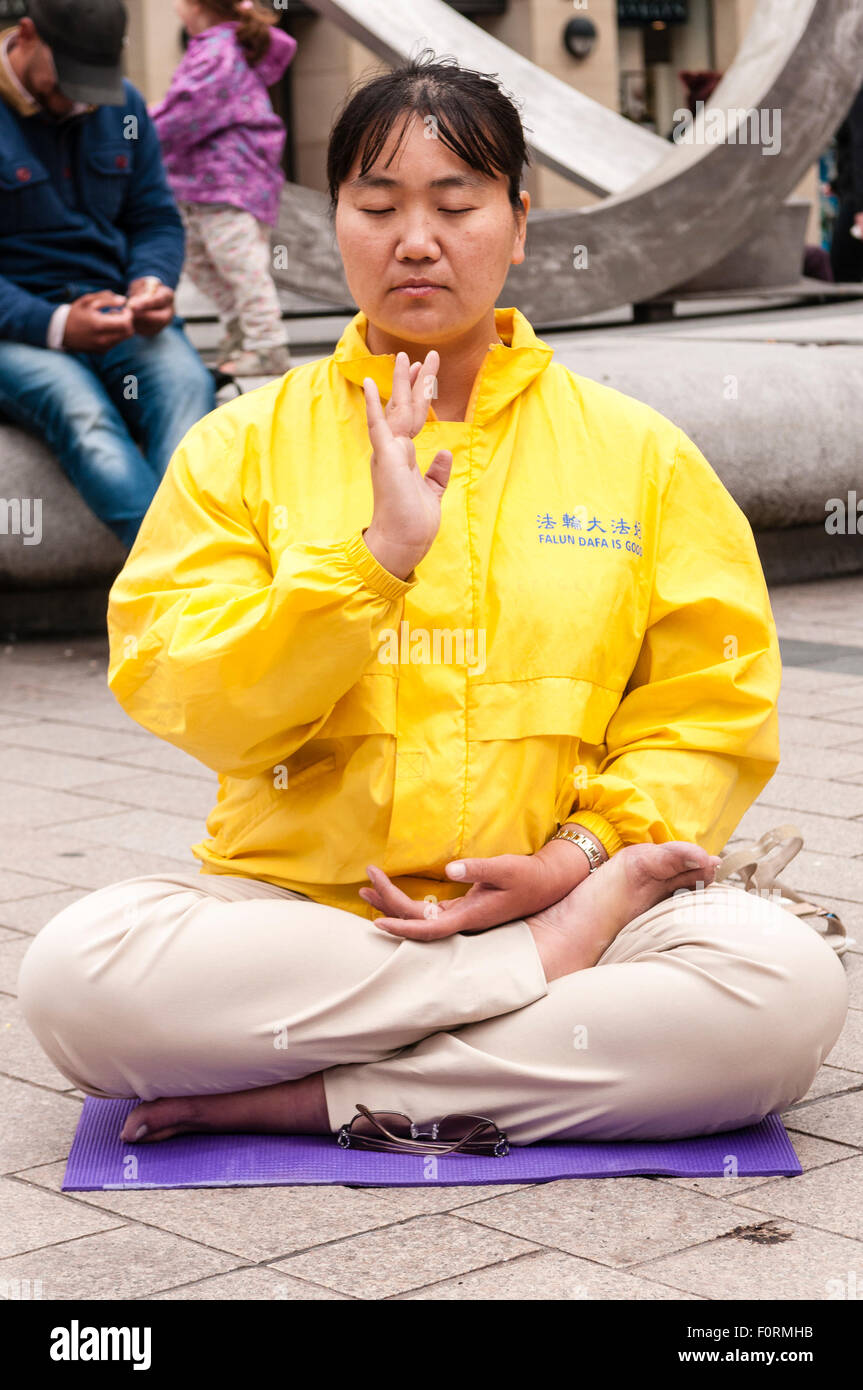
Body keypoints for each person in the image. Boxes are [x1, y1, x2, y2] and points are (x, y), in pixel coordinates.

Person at [19, 54, 847, 1149]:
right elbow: (188, 690)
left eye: (456, 204)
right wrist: (371, 564)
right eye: (378, 205)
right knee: (77, 977)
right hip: (304, 916)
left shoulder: (635, 453)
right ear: (338, 228)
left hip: (570, 898)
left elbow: (711, 705)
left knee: (780, 991)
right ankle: (510, 1008)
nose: (417, 239)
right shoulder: (240, 446)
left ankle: (306, 1092)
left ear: (516, 222)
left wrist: (583, 858)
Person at [0, 0, 216, 551]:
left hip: (118, 314)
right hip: (15, 330)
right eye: (68, 79)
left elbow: (155, 219)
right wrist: (54, 325)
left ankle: (178, 592)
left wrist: (152, 283)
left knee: (188, 388)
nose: (80, 98)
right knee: (82, 415)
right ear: (25, 35)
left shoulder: (123, 105)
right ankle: (189, 587)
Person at [150, 0, 296, 377]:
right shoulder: (217, 47)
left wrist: (139, 125)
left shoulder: (217, 50)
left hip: (228, 180)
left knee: (239, 262)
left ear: (197, 5)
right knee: (201, 260)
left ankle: (267, 343)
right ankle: (241, 330)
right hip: (208, 182)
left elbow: (187, 109)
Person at [830, 83, 863, 283]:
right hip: (853, 193)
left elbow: (861, 147)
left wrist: (861, 208)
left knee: (842, 269)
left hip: (857, 200)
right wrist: (836, 183)